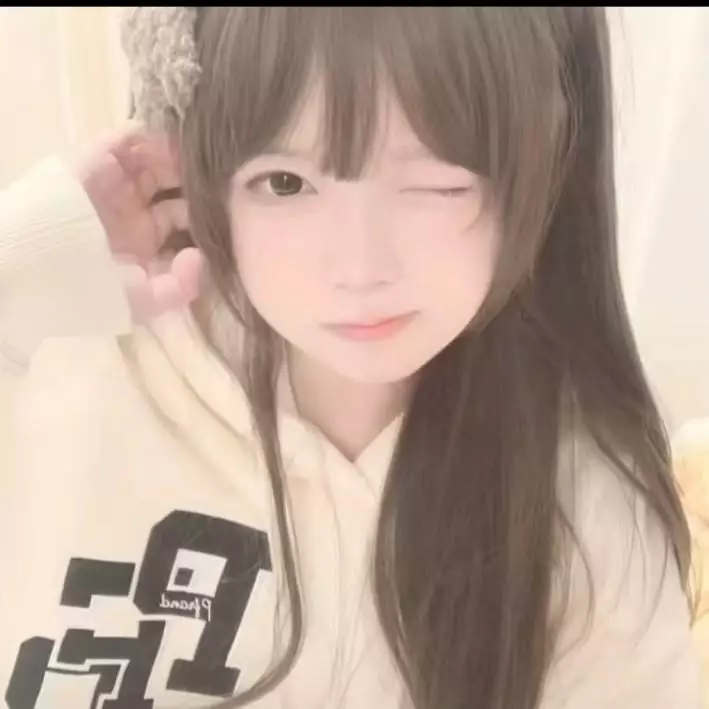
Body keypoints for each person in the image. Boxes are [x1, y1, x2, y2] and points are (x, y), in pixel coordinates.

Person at [0, 7, 701, 709]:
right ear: (195, 165)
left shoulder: (583, 515)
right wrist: (17, 268)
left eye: (437, 182)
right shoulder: (59, 368)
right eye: (285, 183)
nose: (360, 269)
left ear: (540, 164)